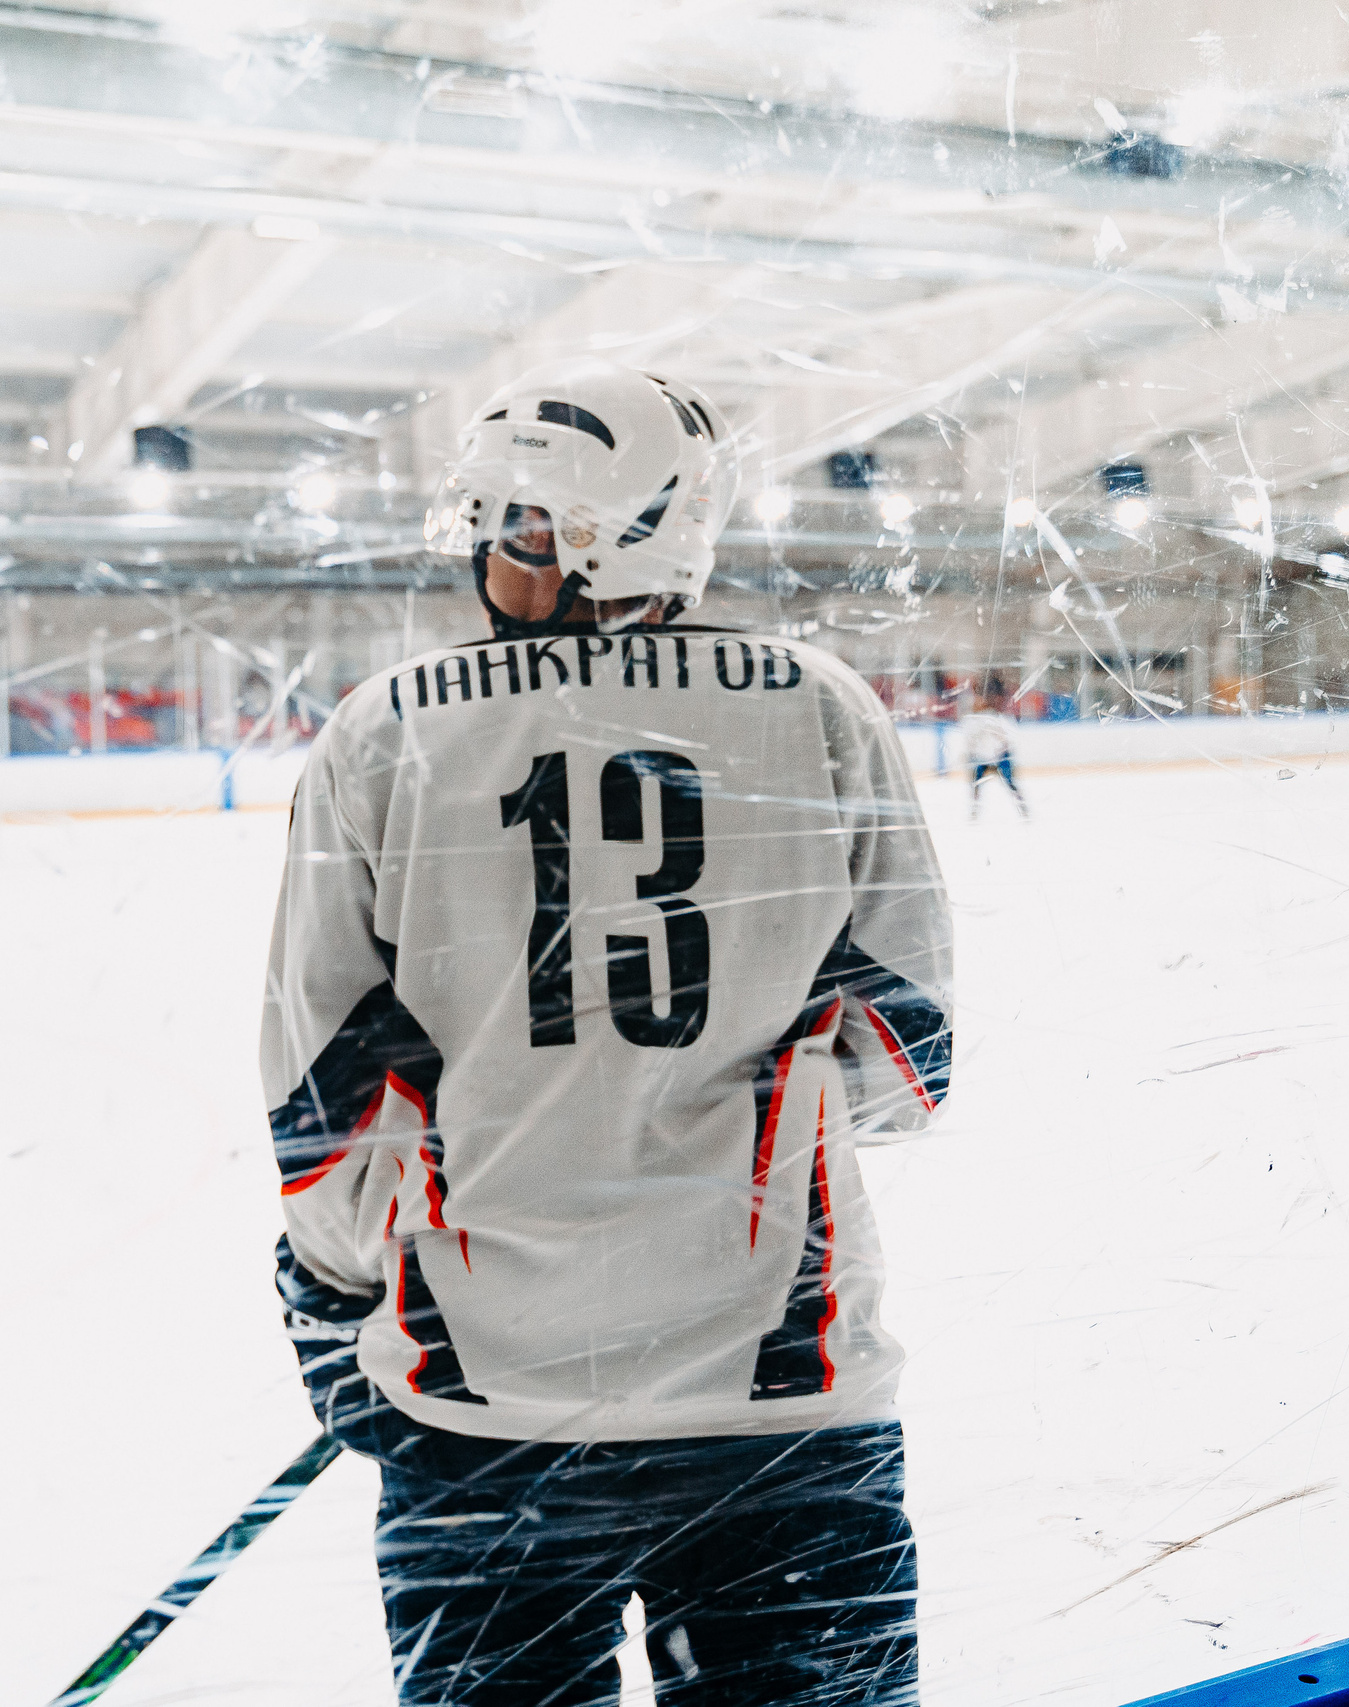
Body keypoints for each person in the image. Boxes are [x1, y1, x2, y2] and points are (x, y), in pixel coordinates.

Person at [262, 359, 952, 1706]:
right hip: (785, 1402)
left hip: (484, 1413)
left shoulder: (381, 735)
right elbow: (902, 1063)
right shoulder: (818, 706)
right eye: (496, 524)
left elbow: (329, 1109)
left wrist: (333, 1299)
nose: (495, 556)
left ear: (617, 533)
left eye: (525, 526)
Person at [958, 693, 1027, 819]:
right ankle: (975, 810)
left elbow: (1003, 737)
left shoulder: (990, 717)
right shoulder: (974, 720)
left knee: (1009, 784)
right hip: (985, 757)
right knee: (978, 785)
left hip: (996, 756)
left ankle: (1023, 808)